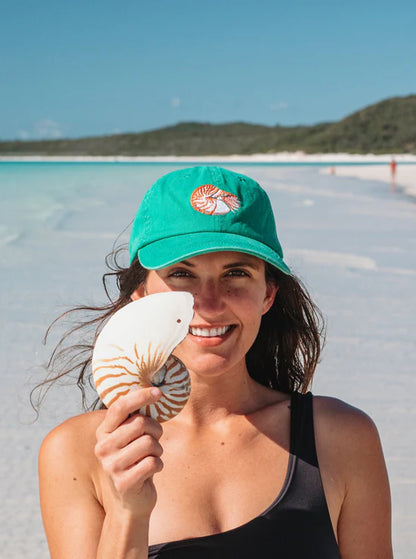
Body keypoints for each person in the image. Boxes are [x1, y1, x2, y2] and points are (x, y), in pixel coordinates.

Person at [38, 166, 393, 558]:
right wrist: (127, 513)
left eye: (236, 273)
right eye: (182, 274)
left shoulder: (340, 437)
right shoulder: (79, 451)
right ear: (141, 295)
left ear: (268, 295)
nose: (208, 303)